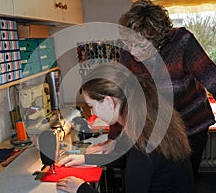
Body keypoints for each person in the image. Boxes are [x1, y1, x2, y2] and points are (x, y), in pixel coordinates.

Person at [86, 0, 216, 179]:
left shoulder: (183, 44)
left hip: (190, 130)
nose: (132, 51)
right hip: (152, 131)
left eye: (140, 45)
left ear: (159, 39)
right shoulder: (128, 53)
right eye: (128, 43)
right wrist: (114, 139)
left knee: (182, 182)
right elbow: (122, 99)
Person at [56, 63, 194, 193]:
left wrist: (81, 189)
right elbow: (126, 160)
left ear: (109, 101)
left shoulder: (143, 145)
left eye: (91, 106)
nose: (92, 113)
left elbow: (136, 162)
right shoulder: (144, 122)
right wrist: (86, 159)